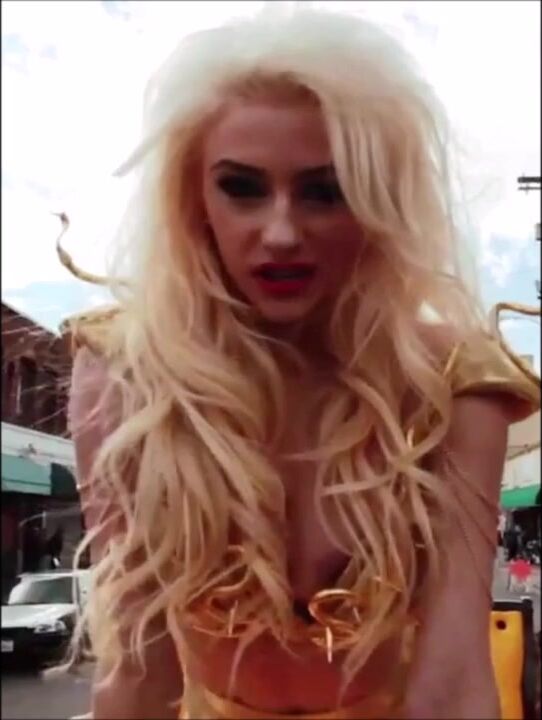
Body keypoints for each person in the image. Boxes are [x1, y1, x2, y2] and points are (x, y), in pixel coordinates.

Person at [61, 5, 540, 719]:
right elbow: (138, 673)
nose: (281, 232)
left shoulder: (453, 384)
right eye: (242, 187)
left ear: (376, 204)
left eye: (325, 191)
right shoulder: (127, 373)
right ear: (194, 198)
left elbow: (453, 682)